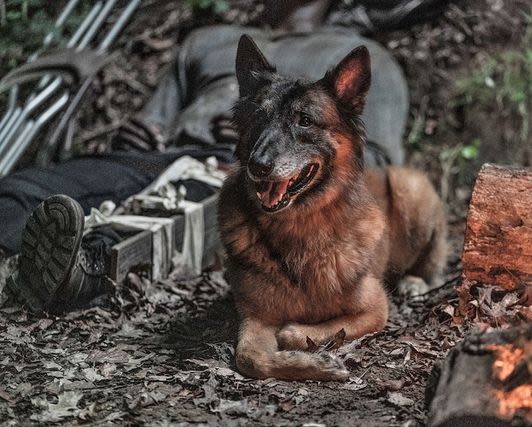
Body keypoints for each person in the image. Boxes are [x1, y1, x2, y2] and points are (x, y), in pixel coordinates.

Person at [0, 4, 411, 313]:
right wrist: (139, 132)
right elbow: (155, 118)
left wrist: (258, 143)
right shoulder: (209, 40)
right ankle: (22, 254)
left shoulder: (360, 58)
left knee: (175, 217)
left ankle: (81, 273)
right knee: (20, 190)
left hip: (246, 173)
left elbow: (370, 164)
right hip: (158, 155)